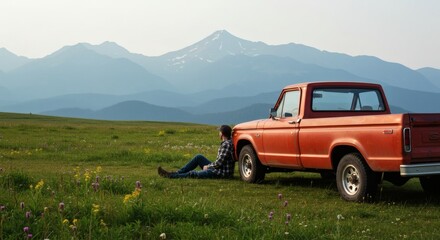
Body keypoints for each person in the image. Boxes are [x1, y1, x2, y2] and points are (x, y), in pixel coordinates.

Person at [158, 125, 235, 179]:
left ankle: (170, 176)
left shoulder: (226, 145)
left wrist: (208, 166)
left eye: (219, 132)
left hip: (221, 173)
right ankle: (177, 172)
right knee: (199, 157)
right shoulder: (229, 142)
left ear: (222, 134)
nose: (218, 133)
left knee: (193, 173)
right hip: (220, 169)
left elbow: (219, 163)